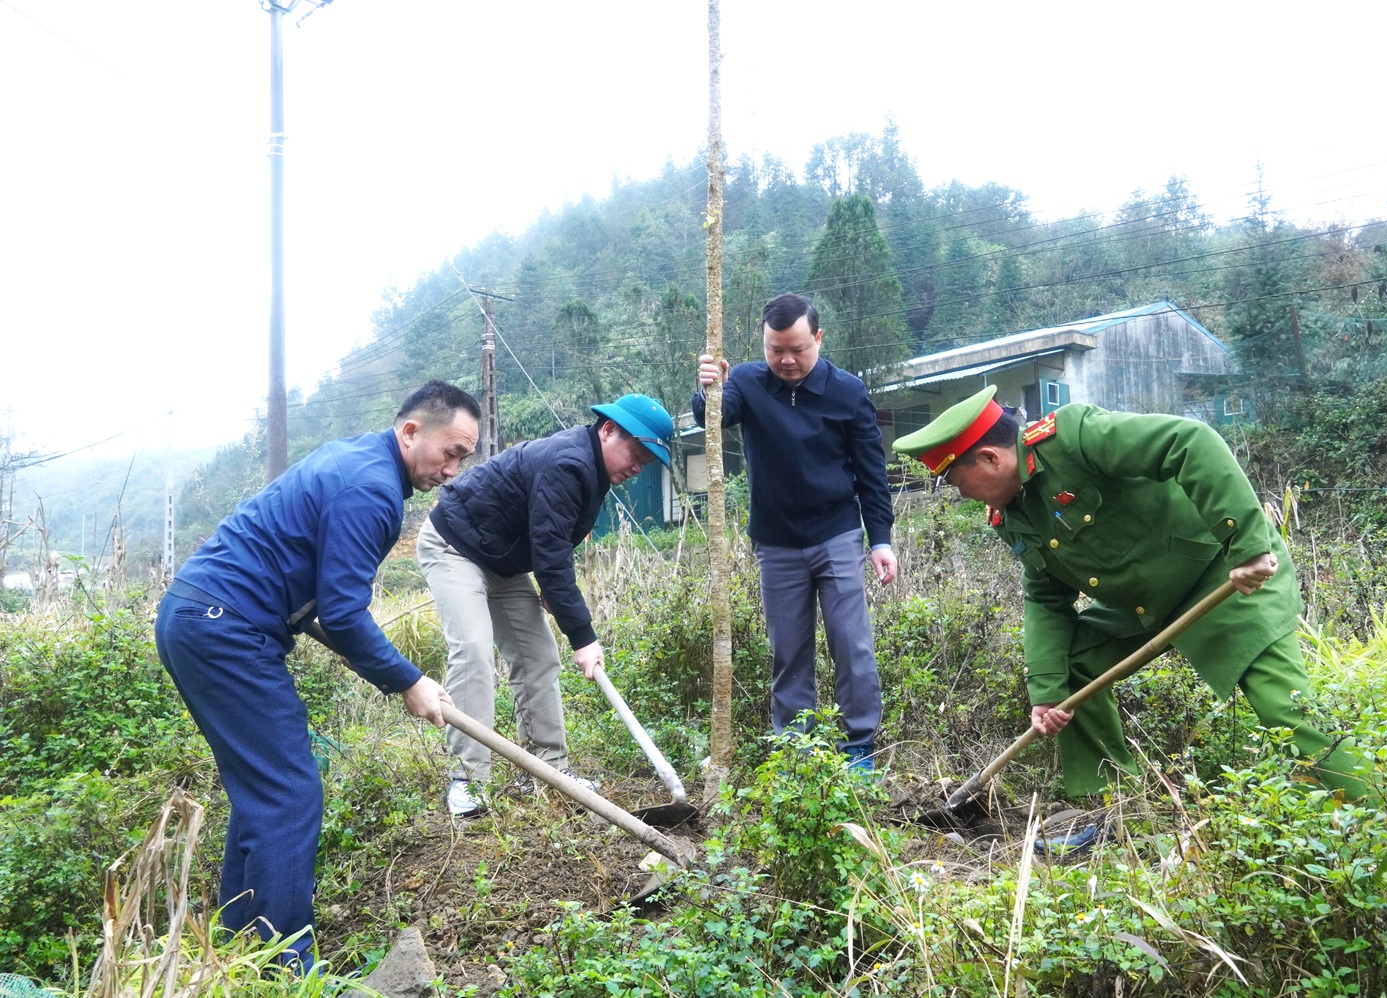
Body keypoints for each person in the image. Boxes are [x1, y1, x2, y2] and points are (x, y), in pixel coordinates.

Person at [892, 386, 1365, 801]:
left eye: (958, 482)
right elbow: (1046, 599)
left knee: (1282, 706)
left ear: (991, 459)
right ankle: (1112, 803)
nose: (962, 496)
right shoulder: (1010, 514)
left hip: (1226, 574)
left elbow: (1189, 441)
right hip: (1145, 604)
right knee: (1071, 668)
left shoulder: (1075, 437)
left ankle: (1374, 820)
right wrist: (1047, 693)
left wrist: (1246, 545)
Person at [156, 380, 479, 971]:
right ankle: (288, 970)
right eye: (450, 453)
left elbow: (315, 603)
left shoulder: (357, 460)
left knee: (263, 794)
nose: (453, 471)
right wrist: (409, 679)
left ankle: (238, 952)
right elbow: (343, 611)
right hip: (224, 626)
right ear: (411, 431)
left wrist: (382, 666)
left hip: (197, 615)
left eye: (463, 458)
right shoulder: (373, 490)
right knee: (289, 794)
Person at [418, 393, 674, 816]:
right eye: (637, 453)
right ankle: (467, 782)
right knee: (474, 650)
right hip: (455, 546)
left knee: (539, 657)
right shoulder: (569, 462)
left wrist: (555, 594)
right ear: (608, 430)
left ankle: (546, 770)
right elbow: (553, 556)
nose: (636, 467)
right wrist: (584, 636)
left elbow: (550, 540)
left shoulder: (594, 471)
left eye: (646, 463)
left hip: (504, 562)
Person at [694, 292, 898, 769]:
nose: (786, 360)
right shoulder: (745, 381)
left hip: (837, 533)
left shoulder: (848, 391)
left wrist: (881, 539)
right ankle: (796, 752)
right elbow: (715, 419)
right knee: (788, 650)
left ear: (818, 339)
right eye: (775, 349)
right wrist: (709, 389)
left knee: (851, 643)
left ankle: (859, 746)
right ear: (762, 343)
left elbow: (872, 471)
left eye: (798, 349)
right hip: (777, 541)